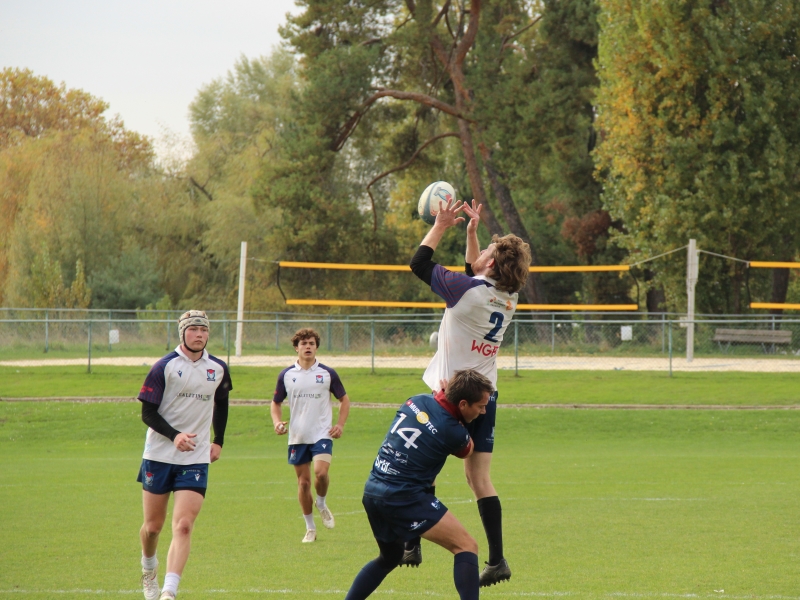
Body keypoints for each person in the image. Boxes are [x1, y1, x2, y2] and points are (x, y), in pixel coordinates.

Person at [407, 198, 532, 587]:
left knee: (422, 465)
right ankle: (497, 560)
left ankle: (411, 542)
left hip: (453, 395)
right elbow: (471, 272)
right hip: (486, 397)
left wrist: (441, 225)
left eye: (488, 252)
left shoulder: (466, 290)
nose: (482, 256)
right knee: (479, 479)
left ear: (491, 264)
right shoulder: (507, 297)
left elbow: (419, 264)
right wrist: (474, 234)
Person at [345, 369, 494, 600]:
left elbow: (438, 410)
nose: (484, 411)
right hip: (404, 496)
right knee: (466, 546)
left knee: (390, 557)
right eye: (481, 406)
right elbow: (468, 451)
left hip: (373, 491)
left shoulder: (416, 400)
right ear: (463, 404)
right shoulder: (453, 431)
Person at [136, 310, 232, 600]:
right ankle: (148, 569)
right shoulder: (164, 366)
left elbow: (222, 404)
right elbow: (147, 413)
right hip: (159, 455)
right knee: (153, 528)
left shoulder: (218, 368)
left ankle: (169, 591)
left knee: (184, 525)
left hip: (195, 458)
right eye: (193, 329)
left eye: (204, 330)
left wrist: (218, 441)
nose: (199, 334)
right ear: (183, 333)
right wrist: (174, 435)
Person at [271, 327, 351, 543]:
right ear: (296, 348)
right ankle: (310, 528)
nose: (308, 347)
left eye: (311, 344)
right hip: (298, 436)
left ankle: (321, 502)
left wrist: (340, 425)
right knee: (304, 484)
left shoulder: (327, 374)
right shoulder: (286, 375)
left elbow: (344, 400)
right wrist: (277, 422)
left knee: (321, 473)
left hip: (322, 434)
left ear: (316, 347)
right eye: (304, 343)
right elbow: (275, 403)